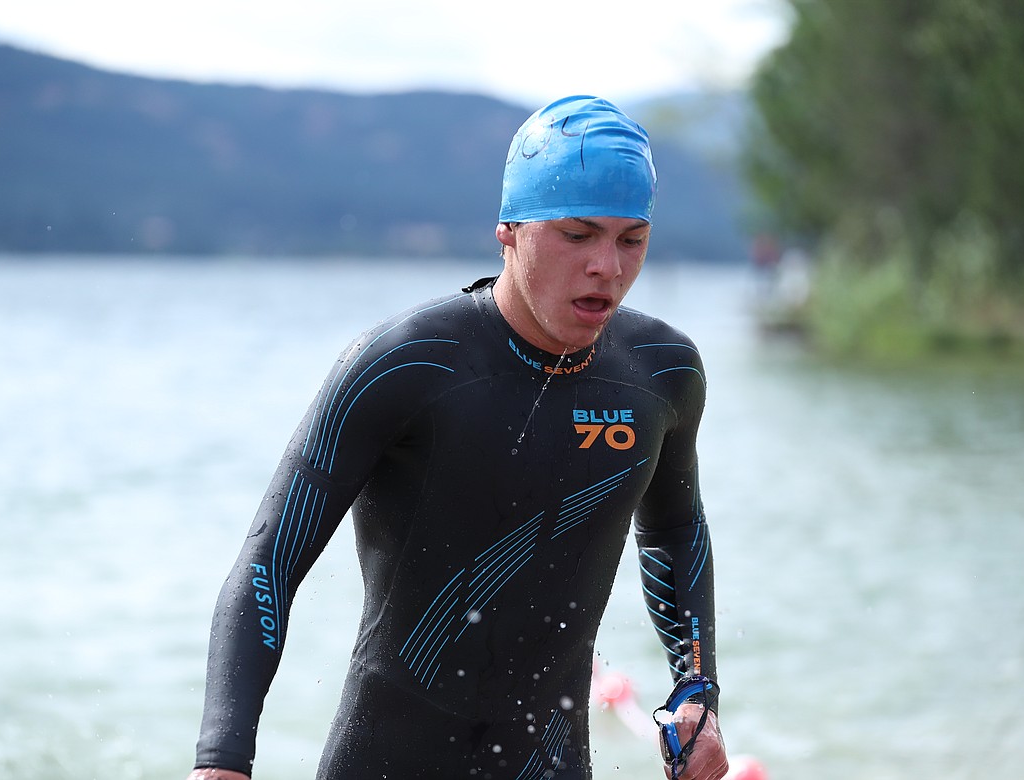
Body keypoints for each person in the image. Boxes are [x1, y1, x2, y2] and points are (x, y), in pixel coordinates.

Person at [186, 95, 728, 780]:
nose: (607, 268)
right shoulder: (406, 365)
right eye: (577, 234)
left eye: (631, 240)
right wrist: (222, 761)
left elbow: (675, 531)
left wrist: (696, 692)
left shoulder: (662, 373)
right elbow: (269, 562)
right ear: (510, 229)